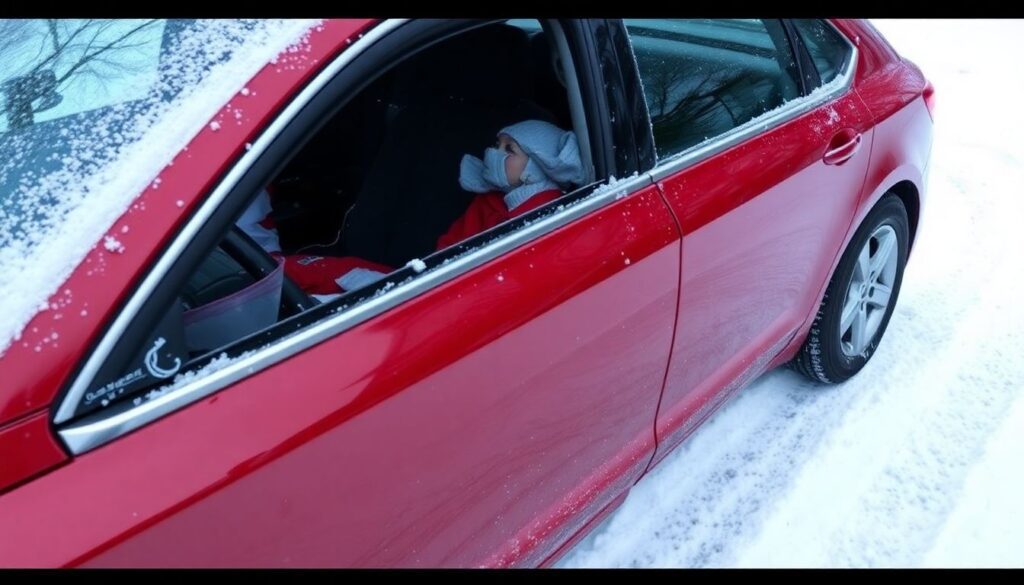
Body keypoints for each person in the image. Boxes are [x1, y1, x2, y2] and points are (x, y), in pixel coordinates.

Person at [237, 119, 584, 296]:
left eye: (510, 150)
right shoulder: (490, 200)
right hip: (435, 277)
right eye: (497, 144)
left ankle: (257, 280)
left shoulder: (547, 216)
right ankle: (256, 276)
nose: (495, 153)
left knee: (342, 280)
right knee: (328, 271)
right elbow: (449, 246)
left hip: (448, 294)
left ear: (536, 166)